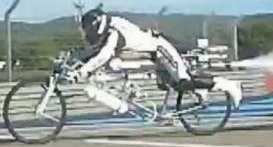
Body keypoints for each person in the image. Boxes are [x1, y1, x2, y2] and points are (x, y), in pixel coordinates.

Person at [69, 8, 243, 110]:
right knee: (167, 85)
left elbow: (103, 56)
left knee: (183, 82)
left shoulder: (114, 34)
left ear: (96, 25)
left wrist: (82, 71)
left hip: (160, 49)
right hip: (152, 54)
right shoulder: (111, 28)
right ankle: (199, 91)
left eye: (88, 29)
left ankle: (227, 85)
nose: (87, 34)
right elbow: (95, 53)